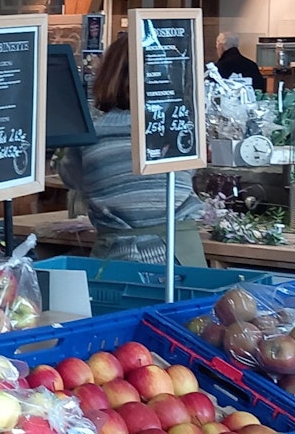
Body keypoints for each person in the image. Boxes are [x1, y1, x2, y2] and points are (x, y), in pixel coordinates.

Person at [59, 33, 207, 266]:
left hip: (115, 260)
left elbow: (73, 179)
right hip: (181, 257)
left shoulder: (89, 136)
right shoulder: (180, 127)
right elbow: (187, 176)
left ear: (107, 76)